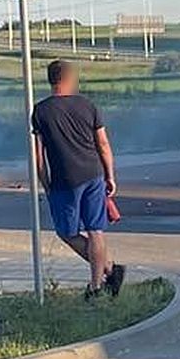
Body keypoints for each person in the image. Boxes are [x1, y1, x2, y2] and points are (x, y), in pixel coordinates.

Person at [32, 60, 125, 299]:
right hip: (93, 174)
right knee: (95, 231)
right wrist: (109, 176)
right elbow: (103, 144)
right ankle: (108, 271)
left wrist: (46, 184)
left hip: (64, 180)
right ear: (70, 79)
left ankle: (98, 285)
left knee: (68, 233)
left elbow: (38, 156)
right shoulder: (88, 105)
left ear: (51, 80)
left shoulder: (41, 111)